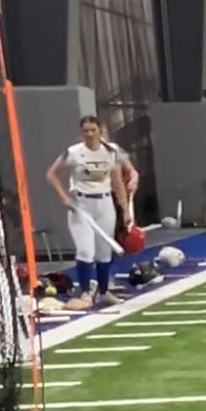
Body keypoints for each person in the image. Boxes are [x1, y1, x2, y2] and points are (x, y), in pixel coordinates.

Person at [44, 115, 131, 310]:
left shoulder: (111, 151)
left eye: (93, 130)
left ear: (100, 131)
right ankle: (85, 292)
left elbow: (117, 181)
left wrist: (125, 209)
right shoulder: (73, 152)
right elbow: (51, 174)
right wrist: (64, 196)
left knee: (104, 252)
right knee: (85, 250)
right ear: (81, 133)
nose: (90, 134)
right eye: (86, 131)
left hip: (105, 202)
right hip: (81, 205)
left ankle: (104, 291)